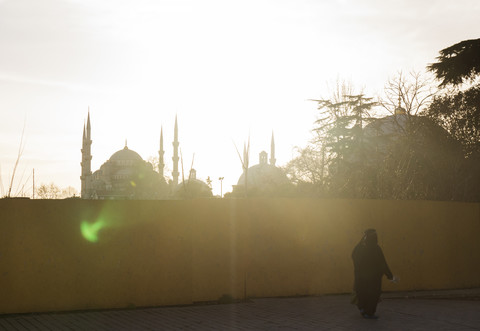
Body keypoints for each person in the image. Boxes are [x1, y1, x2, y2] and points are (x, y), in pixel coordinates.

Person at [352, 229, 393, 319]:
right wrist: (389, 275)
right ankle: (368, 312)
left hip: (363, 278)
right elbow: (383, 263)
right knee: (372, 295)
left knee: (363, 293)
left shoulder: (360, 248)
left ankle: (363, 309)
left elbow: (354, 257)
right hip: (374, 279)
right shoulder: (376, 248)